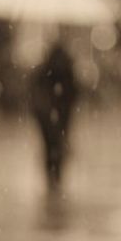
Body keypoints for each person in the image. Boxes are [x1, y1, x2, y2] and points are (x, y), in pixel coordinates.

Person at [31, 39, 77, 190]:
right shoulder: (66, 71)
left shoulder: (45, 70)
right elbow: (73, 94)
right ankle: (56, 174)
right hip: (59, 114)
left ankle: (52, 174)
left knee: (50, 144)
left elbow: (36, 92)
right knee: (58, 143)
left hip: (48, 115)